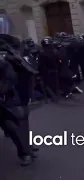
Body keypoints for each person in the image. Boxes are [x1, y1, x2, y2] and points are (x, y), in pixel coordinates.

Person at [0, 34, 39, 166]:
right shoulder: (16, 56)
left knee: (12, 125)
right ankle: (27, 148)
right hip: (18, 97)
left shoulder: (8, 59)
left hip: (9, 98)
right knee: (21, 124)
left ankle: (25, 151)